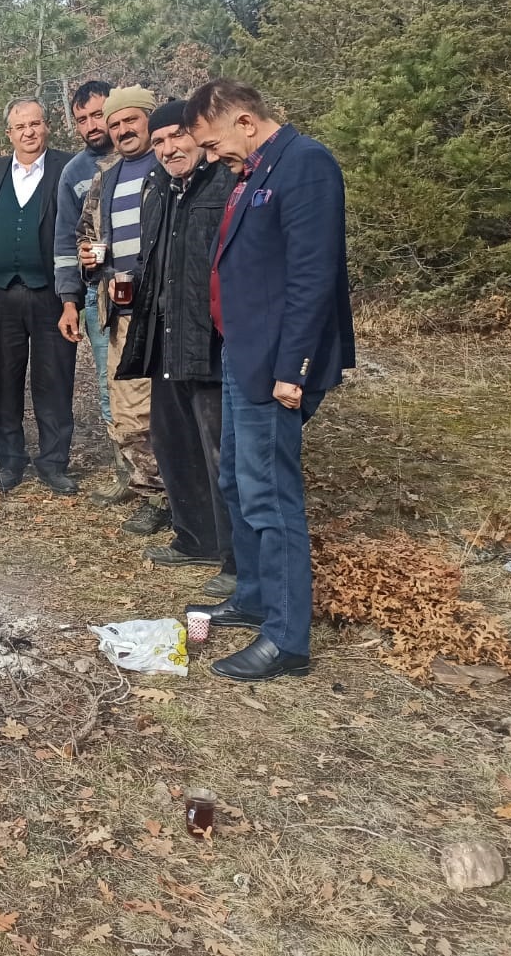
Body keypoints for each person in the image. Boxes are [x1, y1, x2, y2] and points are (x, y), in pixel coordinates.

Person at [183, 79, 354, 682]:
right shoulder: (254, 171)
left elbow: (313, 277)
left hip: (277, 363)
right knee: (236, 478)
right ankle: (254, 594)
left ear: (246, 122)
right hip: (243, 354)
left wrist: (294, 370)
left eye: (213, 143)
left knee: (270, 494)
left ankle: (286, 638)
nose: (211, 156)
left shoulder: (305, 165)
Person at [112, 99, 237, 599]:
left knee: (219, 452)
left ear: (199, 136)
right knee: (173, 441)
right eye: (160, 141)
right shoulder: (162, 188)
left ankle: (234, 558)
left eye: (176, 138)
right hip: (164, 336)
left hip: (207, 339)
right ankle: (194, 537)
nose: (167, 149)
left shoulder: (224, 186)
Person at [74, 87, 170, 534]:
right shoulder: (105, 178)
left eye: (130, 120)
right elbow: (85, 235)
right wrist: (91, 259)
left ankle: (188, 494)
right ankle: (154, 495)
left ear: (149, 119)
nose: (122, 130)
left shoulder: (172, 167)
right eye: (114, 125)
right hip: (122, 307)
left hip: (171, 308)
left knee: (175, 406)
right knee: (128, 407)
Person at [0, 97, 78, 494]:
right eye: (20, 127)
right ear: (9, 134)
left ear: (47, 126)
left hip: (51, 295)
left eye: (35, 124)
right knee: (5, 380)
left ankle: (53, 462)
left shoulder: (68, 169)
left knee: (54, 381)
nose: (29, 132)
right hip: (1, 296)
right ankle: (10, 462)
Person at [54, 80, 116, 449]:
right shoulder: (74, 172)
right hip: (99, 292)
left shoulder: (148, 156)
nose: (92, 125)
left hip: (150, 289)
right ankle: (129, 472)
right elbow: (64, 242)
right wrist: (69, 301)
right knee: (110, 384)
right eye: (82, 119)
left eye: (98, 114)